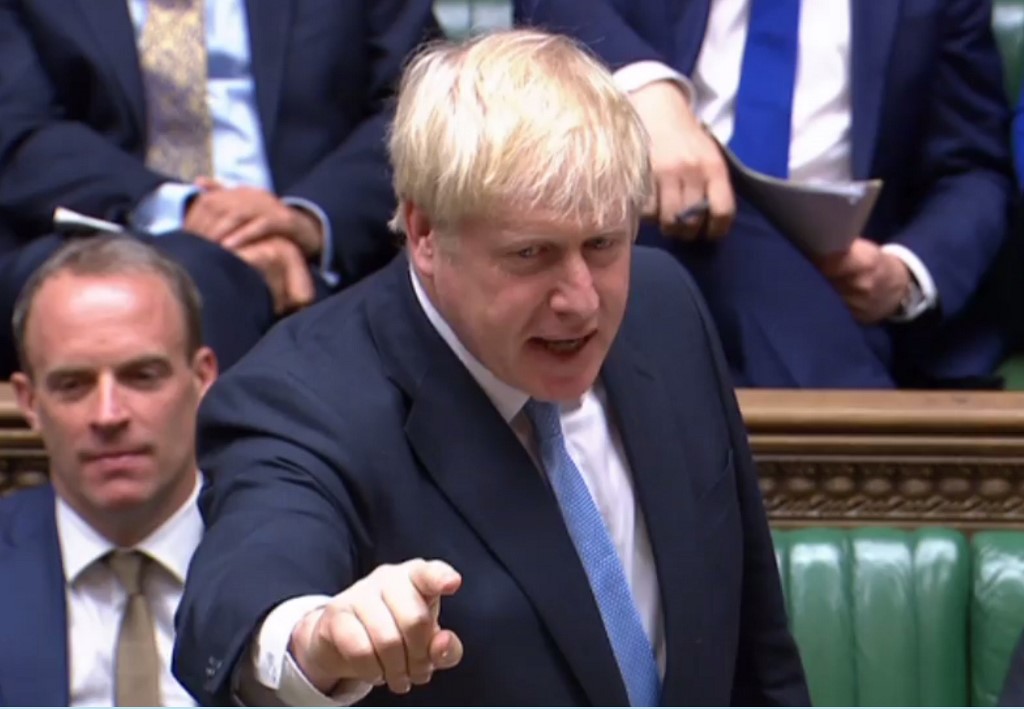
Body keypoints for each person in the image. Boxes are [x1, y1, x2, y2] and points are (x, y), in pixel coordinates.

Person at [172, 29, 810, 706]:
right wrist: (315, 635)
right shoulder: (302, 397)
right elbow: (243, 586)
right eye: (531, 254)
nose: (581, 301)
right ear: (424, 233)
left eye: (602, 243)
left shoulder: (665, 309)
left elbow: (757, 655)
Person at [514, 0, 1015, 389]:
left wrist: (903, 272)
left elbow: (972, 170)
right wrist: (646, 95)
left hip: (836, 287)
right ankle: (866, 448)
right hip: (642, 231)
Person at [0, 0, 440, 375]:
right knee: (192, 278)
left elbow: (423, 106)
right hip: (96, 238)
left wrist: (303, 221)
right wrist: (188, 213)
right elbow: (20, 131)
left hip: (324, 255)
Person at [0, 236, 217, 706]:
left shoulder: (296, 558)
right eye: (72, 384)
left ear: (201, 379)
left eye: (142, 376)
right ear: (30, 402)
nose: (109, 414)